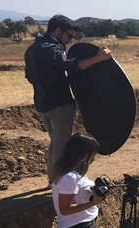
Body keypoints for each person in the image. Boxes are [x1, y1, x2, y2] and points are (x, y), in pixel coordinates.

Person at [25, 14, 113, 181]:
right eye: (69, 36)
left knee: (55, 142)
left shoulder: (32, 48)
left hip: (42, 103)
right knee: (62, 145)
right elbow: (71, 66)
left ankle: (52, 179)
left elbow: (30, 77)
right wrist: (98, 58)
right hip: (59, 104)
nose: (71, 40)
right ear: (58, 30)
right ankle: (58, 182)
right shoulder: (50, 48)